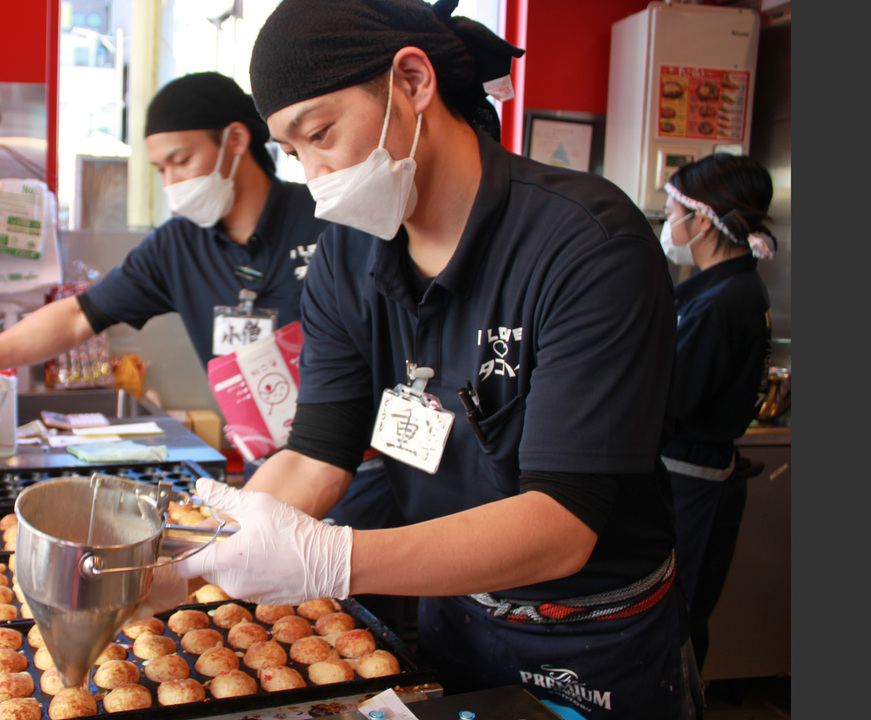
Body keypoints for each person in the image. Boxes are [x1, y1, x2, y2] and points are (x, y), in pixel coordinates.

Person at [171, 1, 701, 718]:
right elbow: (319, 453)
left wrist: (334, 559)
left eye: (321, 134)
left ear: (413, 82)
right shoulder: (345, 258)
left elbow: (562, 526)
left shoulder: (585, 244)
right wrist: (194, 559)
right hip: (454, 608)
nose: (315, 174)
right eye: (293, 154)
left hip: (591, 637)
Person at [0, 71, 400, 535]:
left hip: (367, 474)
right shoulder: (177, 247)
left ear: (235, 140)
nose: (170, 182)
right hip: (269, 467)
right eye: (159, 168)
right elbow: (78, 315)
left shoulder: (329, 221)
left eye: (181, 160)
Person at [658, 153, 776, 673]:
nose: (667, 222)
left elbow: (675, 401)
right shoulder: (716, 288)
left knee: (674, 619)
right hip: (685, 475)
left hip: (692, 481)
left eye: (670, 210)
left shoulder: (726, 300)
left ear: (700, 218)